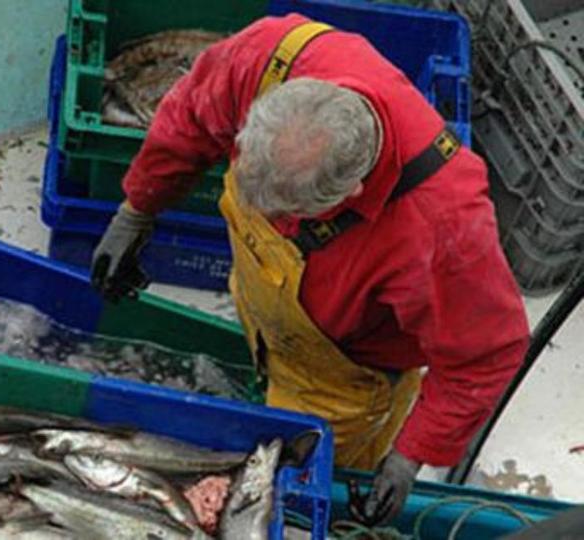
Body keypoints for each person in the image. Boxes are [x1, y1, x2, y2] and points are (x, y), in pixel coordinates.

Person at [90, 13, 529, 525]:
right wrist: (138, 209)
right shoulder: (276, 54)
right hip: (266, 305)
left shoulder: (444, 229)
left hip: (343, 375)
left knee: (297, 495)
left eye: (285, 215)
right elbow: (190, 113)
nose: (271, 223)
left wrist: (412, 454)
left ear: (351, 194)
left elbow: (485, 356)